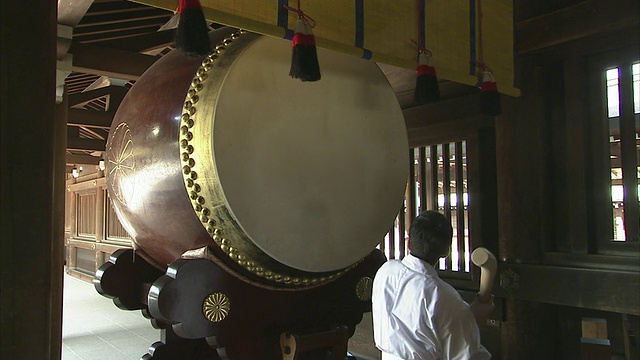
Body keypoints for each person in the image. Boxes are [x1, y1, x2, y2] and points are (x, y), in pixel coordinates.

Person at [372, 210, 494, 360]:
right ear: (446, 252)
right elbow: (467, 356)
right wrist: (472, 321)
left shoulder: (385, 271)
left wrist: (468, 317)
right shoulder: (444, 297)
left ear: (409, 243)